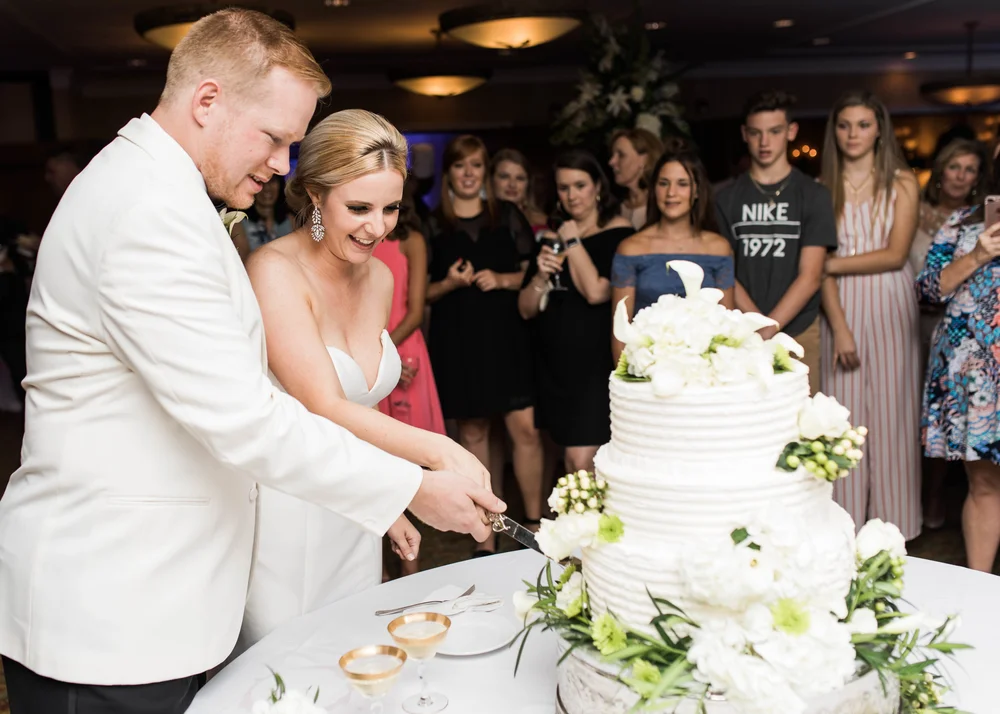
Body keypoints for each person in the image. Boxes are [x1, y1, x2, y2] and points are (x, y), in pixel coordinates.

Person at [0, 11, 503, 714]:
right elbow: (245, 418)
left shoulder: (162, 191)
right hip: (112, 609)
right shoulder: (147, 211)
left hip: (160, 601)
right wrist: (407, 485)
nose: (283, 166)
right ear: (207, 101)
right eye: (274, 138)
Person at [240, 109, 480, 648]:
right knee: (287, 668)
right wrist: (437, 453)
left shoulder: (381, 277)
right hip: (287, 512)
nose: (379, 227)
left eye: (391, 208)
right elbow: (324, 404)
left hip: (353, 508)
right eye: (359, 208)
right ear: (315, 195)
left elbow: (362, 407)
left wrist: (383, 502)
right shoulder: (273, 272)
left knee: (357, 656)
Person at [427, 135, 544, 556]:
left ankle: (534, 524)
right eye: (460, 166)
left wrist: (502, 279)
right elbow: (419, 293)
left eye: (476, 165)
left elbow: (534, 271)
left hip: (507, 336)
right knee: (474, 431)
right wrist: (449, 283)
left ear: (485, 172)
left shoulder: (507, 215)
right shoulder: (433, 223)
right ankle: (486, 536)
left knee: (524, 428)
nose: (469, 173)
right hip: (459, 340)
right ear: (448, 174)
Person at [819, 90, 922, 541]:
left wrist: (833, 264)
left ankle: (894, 533)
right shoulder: (822, 187)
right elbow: (815, 267)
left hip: (890, 302)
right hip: (837, 306)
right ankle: (842, 531)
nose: (853, 134)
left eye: (863, 124)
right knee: (840, 419)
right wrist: (840, 328)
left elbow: (896, 254)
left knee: (893, 414)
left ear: (879, 128)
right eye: (844, 125)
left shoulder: (902, 182)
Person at [714, 90, 838, 395]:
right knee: (746, 415)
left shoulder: (814, 195)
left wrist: (769, 328)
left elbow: (811, 275)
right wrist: (755, 327)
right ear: (744, 134)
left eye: (774, 131)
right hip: (740, 331)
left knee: (802, 419)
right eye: (756, 133)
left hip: (800, 330)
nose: (764, 142)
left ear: (791, 132)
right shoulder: (725, 198)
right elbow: (724, 272)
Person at [519, 150, 633, 472]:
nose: (572, 195)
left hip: (595, 364)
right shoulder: (550, 239)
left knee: (580, 459)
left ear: (598, 187)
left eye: (580, 185)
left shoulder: (620, 234)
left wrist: (572, 241)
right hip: (555, 366)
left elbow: (597, 292)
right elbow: (525, 309)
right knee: (567, 458)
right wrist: (541, 277)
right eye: (564, 187)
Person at [910, 139, 989, 530]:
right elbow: (926, 286)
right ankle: (930, 497)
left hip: (971, 340)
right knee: (936, 422)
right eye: (954, 167)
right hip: (941, 334)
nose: (961, 176)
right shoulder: (955, 221)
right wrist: (976, 255)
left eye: (969, 169)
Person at [917, 204, 1000, 572]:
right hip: (976, 375)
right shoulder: (963, 222)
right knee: (984, 483)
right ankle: (980, 590)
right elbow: (926, 291)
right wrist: (977, 255)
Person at [612, 149, 734, 355]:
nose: (671, 193)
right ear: (654, 189)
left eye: (682, 184)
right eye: (663, 183)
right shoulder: (631, 248)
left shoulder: (718, 248)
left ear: (697, 191)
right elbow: (620, 333)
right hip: (646, 364)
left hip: (705, 365)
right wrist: (626, 373)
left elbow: (728, 327)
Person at [608, 128, 664, 230]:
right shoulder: (613, 206)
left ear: (644, 159)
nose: (611, 162)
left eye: (621, 155)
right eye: (612, 155)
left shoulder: (663, 206)